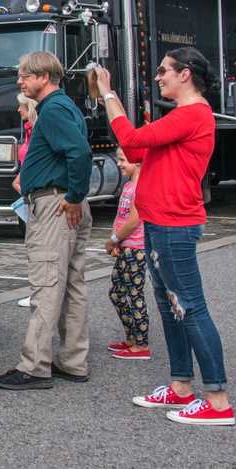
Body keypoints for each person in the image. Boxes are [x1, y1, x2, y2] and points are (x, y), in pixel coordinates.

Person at [96, 49, 232, 425]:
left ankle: (218, 401)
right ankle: (181, 386)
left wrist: (108, 93)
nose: (158, 77)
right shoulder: (182, 115)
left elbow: (129, 138)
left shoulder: (192, 114)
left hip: (174, 224)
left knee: (189, 307)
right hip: (160, 222)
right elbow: (137, 149)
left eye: (163, 71)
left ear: (185, 74)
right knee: (173, 308)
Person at [0, 51, 93, 391]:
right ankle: (73, 361)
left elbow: (80, 152)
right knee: (72, 284)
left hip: (54, 205)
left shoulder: (52, 110)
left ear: (44, 77)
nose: (19, 81)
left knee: (47, 285)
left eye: (25, 76)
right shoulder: (64, 106)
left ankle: (34, 366)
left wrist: (74, 196)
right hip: (62, 201)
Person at [105, 148, 149, 361]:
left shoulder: (141, 187)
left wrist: (114, 240)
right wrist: (115, 239)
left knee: (134, 295)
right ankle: (131, 337)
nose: (119, 163)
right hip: (124, 246)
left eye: (123, 159)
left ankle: (141, 345)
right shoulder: (128, 186)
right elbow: (120, 217)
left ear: (137, 162)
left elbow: (133, 220)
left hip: (136, 249)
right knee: (116, 293)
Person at [14, 93, 39, 308]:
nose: (18, 110)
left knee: (38, 246)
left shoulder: (38, 130)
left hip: (37, 196)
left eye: (21, 106)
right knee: (32, 245)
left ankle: (39, 292)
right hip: (28, 194)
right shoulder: (29, 131)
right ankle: (37, 290)